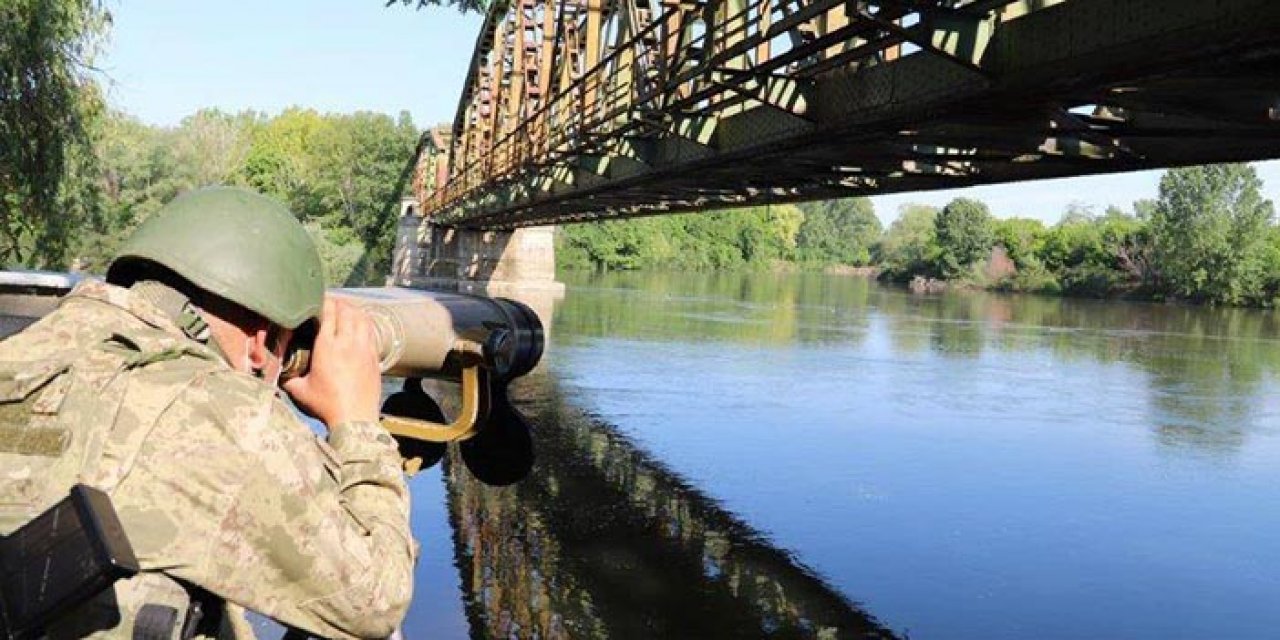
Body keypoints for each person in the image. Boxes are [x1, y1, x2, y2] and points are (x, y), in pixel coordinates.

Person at [0, 187, 416, 638]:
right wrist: (356, 423)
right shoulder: (225, 414)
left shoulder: (24, 350)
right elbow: (376, 601)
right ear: (260, 342)